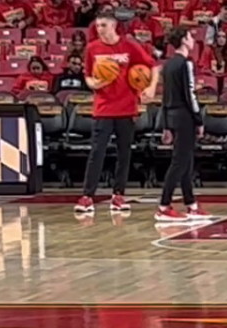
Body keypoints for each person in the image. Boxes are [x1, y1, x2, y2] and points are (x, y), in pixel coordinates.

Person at [75, 10, 159, 215]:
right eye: (97, 25)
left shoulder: (129, 45)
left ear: (113, 25)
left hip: (126, 107)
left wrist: (151, 88)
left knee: (124, 153)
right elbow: (87, 76)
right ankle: (87, 196)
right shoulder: (92, 48)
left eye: (103, 25)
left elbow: (153, 66)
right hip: (103, 108)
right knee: (97, 152)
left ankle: (118, 195)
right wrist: (95, 82)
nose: (99, 29)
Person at [157, 27, 211, 223]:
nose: (193, 40)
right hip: (184, 116)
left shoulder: (168, 64)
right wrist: (198, 119)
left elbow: (164, 97)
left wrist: (165, 124)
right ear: (183, 40)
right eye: (190, 36)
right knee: (179, 162)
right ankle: (164, 205)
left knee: (186, 161)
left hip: (172, 115)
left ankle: (191, 205)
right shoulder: (185, 64)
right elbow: (190, 94)